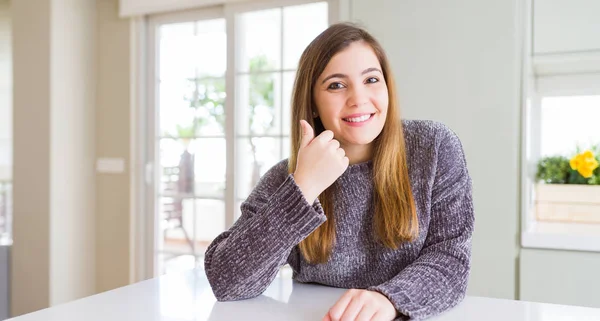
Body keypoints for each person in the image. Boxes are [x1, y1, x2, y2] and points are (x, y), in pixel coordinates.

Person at [204, 22, 474, 321]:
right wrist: (303, 188)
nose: (358, 98)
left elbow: (451, 259)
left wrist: (390, 300)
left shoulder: (433, 147)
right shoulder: (289, 177)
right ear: (313, 104)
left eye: (371, 79)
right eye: (336, 85)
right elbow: (226, 281)